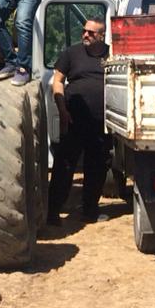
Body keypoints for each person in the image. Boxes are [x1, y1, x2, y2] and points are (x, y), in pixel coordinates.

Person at [48, 15, 110, 222]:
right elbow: (57, 81)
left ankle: (90, 211)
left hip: (102, 123)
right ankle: (53, 212)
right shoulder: (71, 53)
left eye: (91, 33)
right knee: (64, 166)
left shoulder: (113, 54)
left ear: (102, 36)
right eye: (84, 31)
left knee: (97, 166)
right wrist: (62, 110)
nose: (85, 35)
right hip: (74, 120)